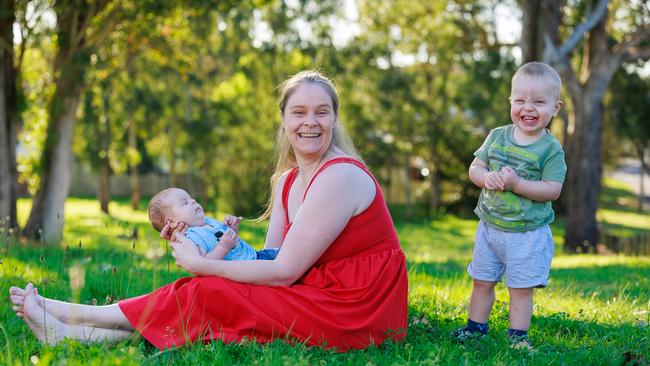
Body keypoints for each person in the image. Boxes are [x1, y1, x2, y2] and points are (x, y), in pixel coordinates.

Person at [9, 70, 408, 350]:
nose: (311, 123)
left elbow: (284, 272)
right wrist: (200, 242)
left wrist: (205, 266)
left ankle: (65, 313)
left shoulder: (340, 176)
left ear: (335, 119)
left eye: (322, 112)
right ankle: (68, 329)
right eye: (299, 112)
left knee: (209, 288)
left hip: (356, 310)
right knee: (210, 294)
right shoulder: (286, 180)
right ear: (284, 120)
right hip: (316, 291)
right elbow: (264, 260)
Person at [453, 61, 567, 350]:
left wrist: (517, 185)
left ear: (556, 108)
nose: (528, 108)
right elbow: (475, 167)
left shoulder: (550, 149)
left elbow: (552, 190)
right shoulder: (497, 136)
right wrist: (485, 177)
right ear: (511, 102)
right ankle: (475, 329)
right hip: (490, 227)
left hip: (527, 235)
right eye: (520, 101)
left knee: (520, 288)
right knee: (481, 280)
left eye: (539, 102)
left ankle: (518, 338)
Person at [148, 187, 279, 260]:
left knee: (287, 256)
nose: (193, 201)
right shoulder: (191, 239)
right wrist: (223, 247)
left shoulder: (207, 221)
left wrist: (231, 229)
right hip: (248, 270)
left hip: (256, 255)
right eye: (185, 202)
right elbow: (205, 263)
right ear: (171, 222)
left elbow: (232, 242)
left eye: (190, 198)